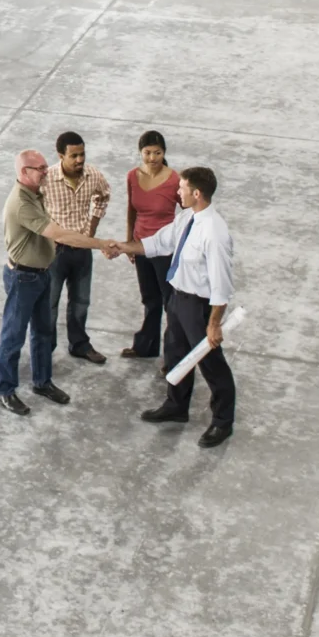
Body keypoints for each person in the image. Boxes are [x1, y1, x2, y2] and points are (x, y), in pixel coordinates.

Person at [0, 148, 123, 415]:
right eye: (40, 168)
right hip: (23, 278)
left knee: (43, 332)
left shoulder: (36, 192)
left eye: (45, 166)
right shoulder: (21, 203)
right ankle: (5, 389)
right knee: (13, 336)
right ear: (23, 172)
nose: (46, 171)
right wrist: (100, 244)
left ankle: (42, 382)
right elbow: (59, 234)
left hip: (41, 274)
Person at [141, 165, 237, 447]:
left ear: (196, 193)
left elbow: (222, 284)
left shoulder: (214, 232)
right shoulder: (187, 218)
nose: (177, 191)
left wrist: (214, 324)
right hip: (178, 299)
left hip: (199, 307)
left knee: (211, 365)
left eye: (181, 187)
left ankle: (222, 422)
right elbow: (161, 242)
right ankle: (176, 405)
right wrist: (123, 247)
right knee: (175, 352)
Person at [40, 131, 113, 366]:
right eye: (74, 156)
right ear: (61, 155)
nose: (80, 160)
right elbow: (33, 209)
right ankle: (45, 348)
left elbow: (103, 196)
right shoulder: (47, 179)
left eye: (82, 154)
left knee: (81, 300)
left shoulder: (92, 175)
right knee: (49, 303)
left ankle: (79, 344)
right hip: (54, 252)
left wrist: (91, 229)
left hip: (82, 250)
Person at [119, 131, 180, 360]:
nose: (152, 158)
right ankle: (146, 346)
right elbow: (131, 210)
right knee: (149, 298)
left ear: (164, 153)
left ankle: (173, 356)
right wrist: (129, 242)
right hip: (141, 245)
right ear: (140, 152)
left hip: (165, 248)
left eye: (157, 153)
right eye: (147, 153)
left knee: (170, 302)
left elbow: (187, 215)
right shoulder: (132, 176)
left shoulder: (175, 180)